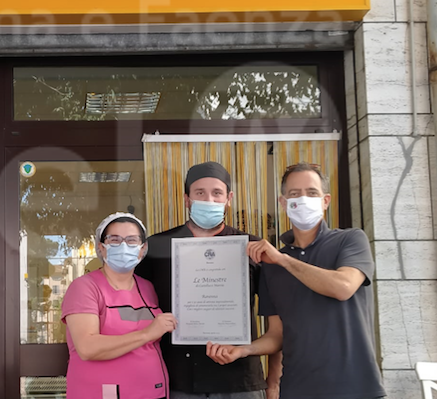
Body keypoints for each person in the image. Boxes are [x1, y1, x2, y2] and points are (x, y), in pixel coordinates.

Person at [206, 162, 386, 399]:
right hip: (297, 388)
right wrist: (243, 350)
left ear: (325, 200)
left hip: (357, 388)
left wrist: (283, 260)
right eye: (294, 194)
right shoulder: (271, 265)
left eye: (311, 193)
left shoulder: (350, 240)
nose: (303, 199)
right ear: (283, 203)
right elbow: (277, 335)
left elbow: (343, 287)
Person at [136, 161, 276, 399]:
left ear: (229, 198)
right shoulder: (157, 247)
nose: (209, 200)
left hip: (240, 382)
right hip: (178, 380)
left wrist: (273, 383)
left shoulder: (252, 248)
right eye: (200, 193)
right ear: (187, 199)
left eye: (217, 193)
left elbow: (278, 323)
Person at [61, 212, 175, 399]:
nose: (123, 246)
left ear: (142, 249)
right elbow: (87, 347)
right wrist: (147, 333)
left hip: (153, 393)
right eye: (114, 240)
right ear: (102, 247)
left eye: (131, 240)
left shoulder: (147, 287)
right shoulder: (84, 287)